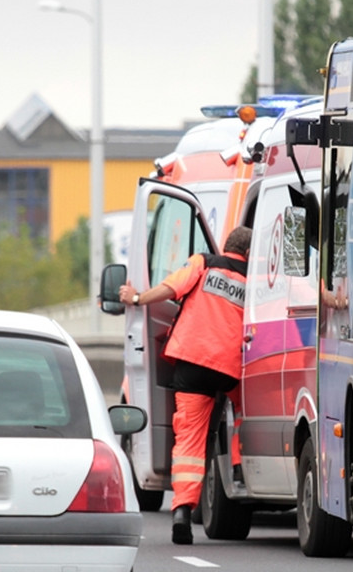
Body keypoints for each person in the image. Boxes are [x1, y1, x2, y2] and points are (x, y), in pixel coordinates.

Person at [119, 226, 252, 545]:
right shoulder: (255, 279)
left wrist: (136, 298)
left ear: (225, 247)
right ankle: (239, 469)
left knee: (190, 440)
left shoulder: (204, 263)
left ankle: (181, 511)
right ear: (249, 254)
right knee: (247, 417)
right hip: (233, 367)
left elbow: (168, 289)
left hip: (192, 361)